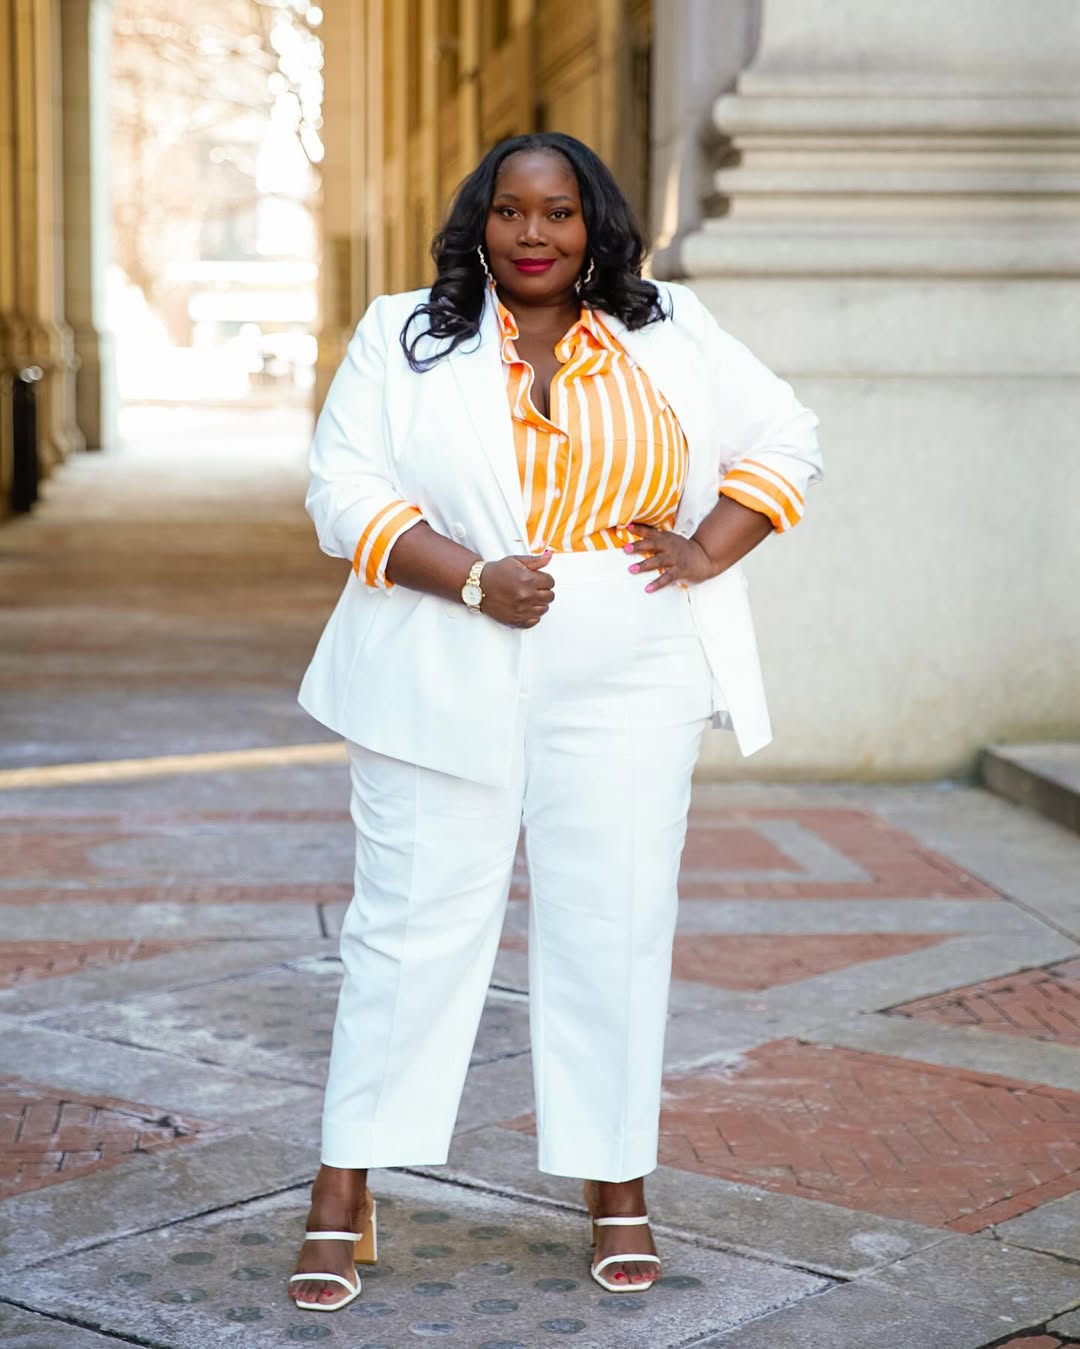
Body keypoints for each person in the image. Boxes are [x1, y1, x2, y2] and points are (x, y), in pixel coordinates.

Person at [288, 131, 821, 1313]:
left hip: (631, 656)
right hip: (445, 640)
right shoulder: (405, 333)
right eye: (514, 211)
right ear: (479, 219)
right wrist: (474, 577)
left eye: (561, 213)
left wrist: (704, 546)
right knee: (411, 924)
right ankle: (343, 1188)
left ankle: (615, 1179)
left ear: (596, 226)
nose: (536, 234)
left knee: (614, 920)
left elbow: (789, 437)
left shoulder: (667, 324)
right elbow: (344, 488)